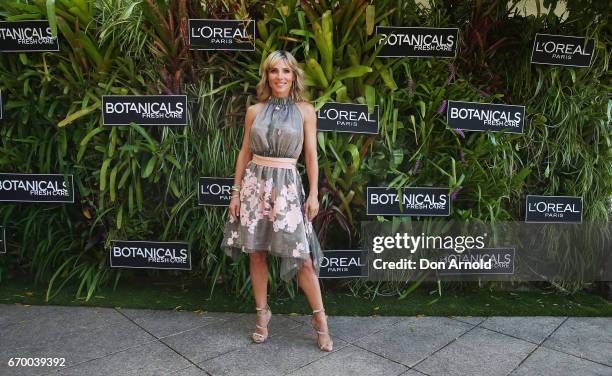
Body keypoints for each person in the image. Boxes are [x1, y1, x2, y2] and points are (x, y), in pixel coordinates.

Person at [220, 50, 333, 352]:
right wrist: (234, 192)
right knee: (256, 253)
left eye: (285, 71)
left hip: (286, 189)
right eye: (274, 71)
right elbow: (244, 152)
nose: (280, 76)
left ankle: (319, 319)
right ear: (266, 76)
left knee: (303, 259)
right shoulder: (254, 111)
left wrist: (312, 193)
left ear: (294, 75)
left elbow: (311, 155)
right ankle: (262, 314)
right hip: (255, 185)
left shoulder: (306, 110)